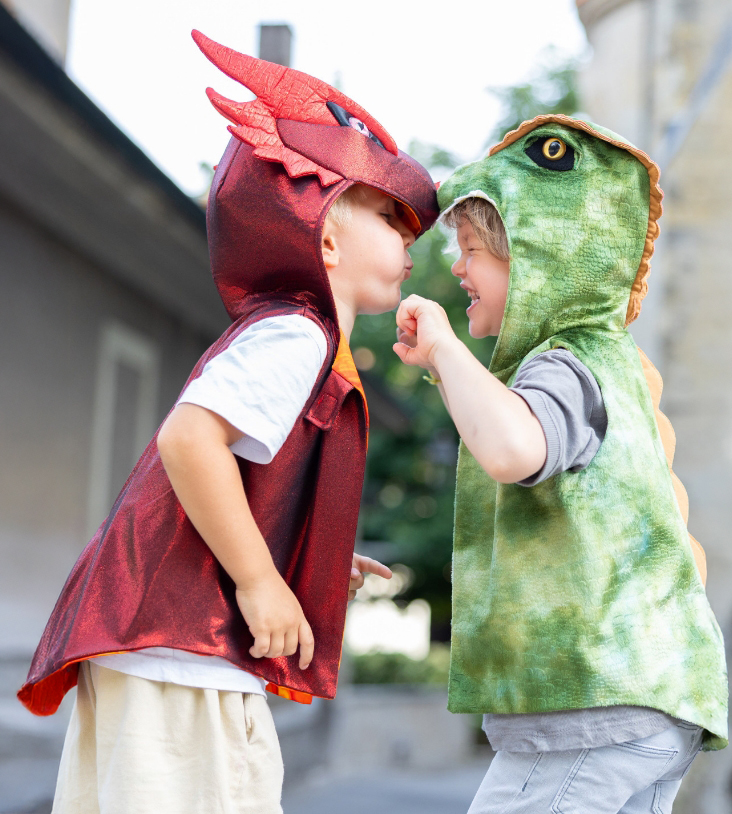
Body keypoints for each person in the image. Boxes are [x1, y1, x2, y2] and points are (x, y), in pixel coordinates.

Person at [18, 32, 438, 813]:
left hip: (174, 648)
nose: (410, 239)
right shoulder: (297, 333)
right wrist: (258, 580)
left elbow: (231, 471)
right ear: (327, 228)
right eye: (391, 217)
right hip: (179, 648)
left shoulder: (302, 337)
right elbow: (190, 440)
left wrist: (293, 557)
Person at [394, 115, 728, 814]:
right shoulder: (608, 363)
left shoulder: (566, 364)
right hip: (646, 697)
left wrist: (447, 351)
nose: (457, 267)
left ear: (541, 258)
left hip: (593, 705)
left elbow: (515, 450)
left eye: (474, 251)